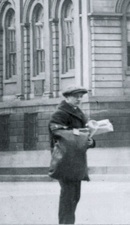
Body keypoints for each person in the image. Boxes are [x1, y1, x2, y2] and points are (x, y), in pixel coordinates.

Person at [48, 87, 95, 224]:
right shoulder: (60, 114)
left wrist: (91, 141)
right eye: (76, 97)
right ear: (67, 98)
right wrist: (83, 136)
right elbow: (59, 133)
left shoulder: (78, 112)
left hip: (76, 159)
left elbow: (85, 132)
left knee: (75, 195)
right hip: (65, 159)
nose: (79, 99)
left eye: (81, 97)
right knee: (68, 196)